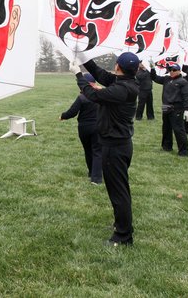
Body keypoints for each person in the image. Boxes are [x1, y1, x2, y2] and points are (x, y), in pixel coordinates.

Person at [70, 52, 140, 246]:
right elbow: (100, 74)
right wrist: (83, 58)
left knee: (118, 192)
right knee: (119, 189)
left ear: (118, 66)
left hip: (115, 146)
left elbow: (92, 94)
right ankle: (122, 225)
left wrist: (78, 75)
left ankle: (123, 236)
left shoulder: (122, 89)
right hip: (119, 144)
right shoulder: (125, 82)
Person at [60, 73, 102, 185]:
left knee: (88, 150)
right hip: (98, 127)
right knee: (97, 151)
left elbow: (72, 112)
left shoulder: (82, 97)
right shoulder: (101, 95)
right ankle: (96, 178)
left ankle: (91, 172)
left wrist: (63, 116)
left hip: (84, 128)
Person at [151, 63, 188, 156]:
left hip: (176, 108)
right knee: (166, 128)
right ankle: (166, 146)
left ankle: (184, 151)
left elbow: (186, 96)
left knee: (178, 129)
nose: (172, 72)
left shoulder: (183, 82)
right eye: (170, 70)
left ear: (179, 71)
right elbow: (155, 78)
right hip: (166, 107)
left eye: (174, 70)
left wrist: (187, 109)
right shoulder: (166, 79)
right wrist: (152, 68)